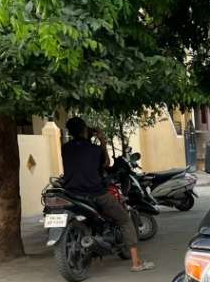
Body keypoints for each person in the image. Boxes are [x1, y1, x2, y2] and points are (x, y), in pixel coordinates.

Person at [62, 116, 154, 272]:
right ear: (85, 130)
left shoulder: (65, 148)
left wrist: (88, 138)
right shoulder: (94, 149)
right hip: (96, 193)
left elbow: (79, 156)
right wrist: (102, 141)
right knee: (124, 219)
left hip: (72, 194)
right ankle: (136, 262)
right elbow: (105, 164)